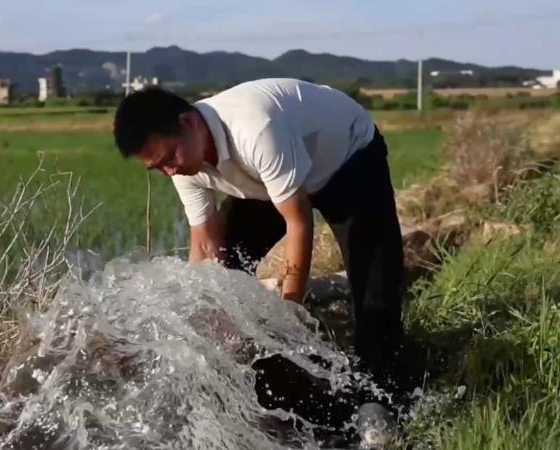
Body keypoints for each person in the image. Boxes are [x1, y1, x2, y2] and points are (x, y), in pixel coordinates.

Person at [113, 78, 405, 441]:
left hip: (347, 157)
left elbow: (299, 223)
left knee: (375, 286)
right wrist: (197, 324)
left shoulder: (255, 128)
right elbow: (205, 247)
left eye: (170, 156)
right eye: (157, 166)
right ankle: (245, 374)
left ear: (188, 122)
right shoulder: (182, 164)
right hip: (270, 181)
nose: (169, 170)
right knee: (228, 265)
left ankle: (382, 398)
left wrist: (289, 319)